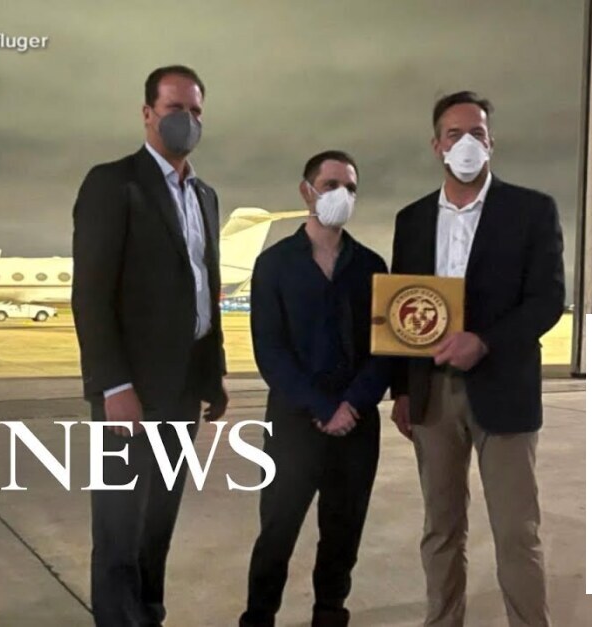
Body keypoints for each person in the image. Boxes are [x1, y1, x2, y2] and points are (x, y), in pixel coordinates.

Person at [390, 91, 565, 627]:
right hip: (433, 394)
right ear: (436, 145)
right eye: (454, 134)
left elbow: (547, 300)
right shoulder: (412, 219)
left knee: (516, 532)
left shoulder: (531, 211)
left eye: (477, 133)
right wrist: (402, 390)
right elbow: (402, 310)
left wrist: (484, 341)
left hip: (504, 389)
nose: (466, 143)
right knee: (441, 528)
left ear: (491, 143)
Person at [71, 64, 229, 627]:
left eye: (196, 111)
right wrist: (114, 385)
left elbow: (204, 289)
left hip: (185, 388)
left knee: (159, 522)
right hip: (131, 392)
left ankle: (149, 615)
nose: (187, 120)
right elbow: (91, 295)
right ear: (147, 114)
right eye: (174, 108)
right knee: (120, 527)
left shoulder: (205, 196)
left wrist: (214, 375)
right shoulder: (114, 184)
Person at [240, 151, 390, 627]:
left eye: (350, 187)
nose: (341, 195)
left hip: (356, 424)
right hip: (294, 422)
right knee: (277, 530)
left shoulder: (372, 266)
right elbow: (270, 351)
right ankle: (259, 616)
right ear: (306, 191)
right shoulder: (274, 265)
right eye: (330, 185)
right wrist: (323, 407)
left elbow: (385, 349)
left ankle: (329, 612)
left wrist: (353, 404)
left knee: (343, 532)